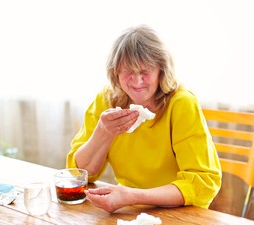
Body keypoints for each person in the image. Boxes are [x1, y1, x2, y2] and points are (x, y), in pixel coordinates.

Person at [66, 25, 221, 213]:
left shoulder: (181, 103)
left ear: (161, 70)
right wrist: (103, 132)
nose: (137, 81)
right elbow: (81, 174)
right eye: (128, 71)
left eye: (145, 71)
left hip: (177, 211)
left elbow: (203, 184)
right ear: (115, 71)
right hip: (128, 210)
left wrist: (133, 196)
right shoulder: (106, 100)